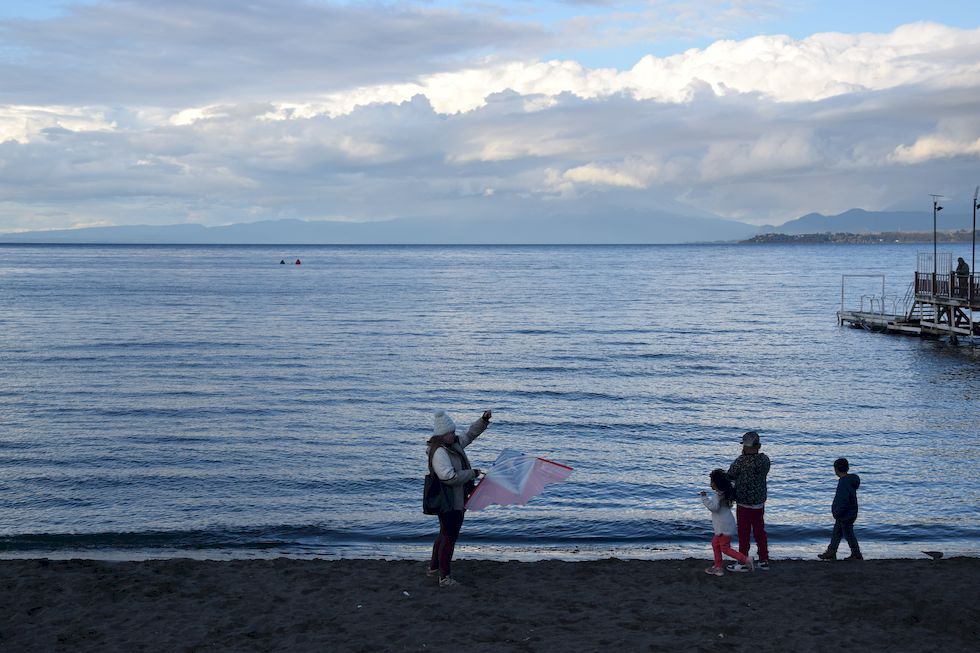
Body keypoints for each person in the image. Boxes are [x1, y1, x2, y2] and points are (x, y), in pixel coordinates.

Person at [426, 408, 492, 587]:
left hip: (456, 498)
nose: (454, 435)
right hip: (449, 501)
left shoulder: (453, 444)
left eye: (454, 432)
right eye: (450, 433)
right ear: (441, 435)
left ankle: (433, 568)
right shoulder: (439, 453)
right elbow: (449, 477)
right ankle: (444, 577)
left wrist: (483, 420)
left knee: (444, 534)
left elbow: (470, 434)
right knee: (449, 537)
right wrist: (473, 473)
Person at [726, 430, 770, 571]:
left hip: (744, 502)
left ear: (745, 447)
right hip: (759, 502)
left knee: (744, 533)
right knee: (759, 531)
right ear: (759, 446)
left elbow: (730, 475)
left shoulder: (740, 461)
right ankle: (764, 559)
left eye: (744, 446)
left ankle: (743, 560)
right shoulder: (764, 460)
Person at [700, 469, 754, 576]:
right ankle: (718, 566)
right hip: (727, 524)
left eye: (711, 481)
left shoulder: (718, 496)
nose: (710, 484)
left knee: (725, 548)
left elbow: (713, 508)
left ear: (716, 484)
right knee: (715, 544)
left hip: (722, 527)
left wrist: (704, 498)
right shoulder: (726, 494)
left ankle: (746, 559)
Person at [818, 458, 862, 561]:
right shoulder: (849, 481)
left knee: (848, 533)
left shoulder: (844, 482)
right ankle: (831, 551)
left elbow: (843, 499)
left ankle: (856, 553)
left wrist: (838, 511)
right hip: (849, 512)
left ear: (836, 470)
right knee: (837, 532)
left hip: (845, 513)